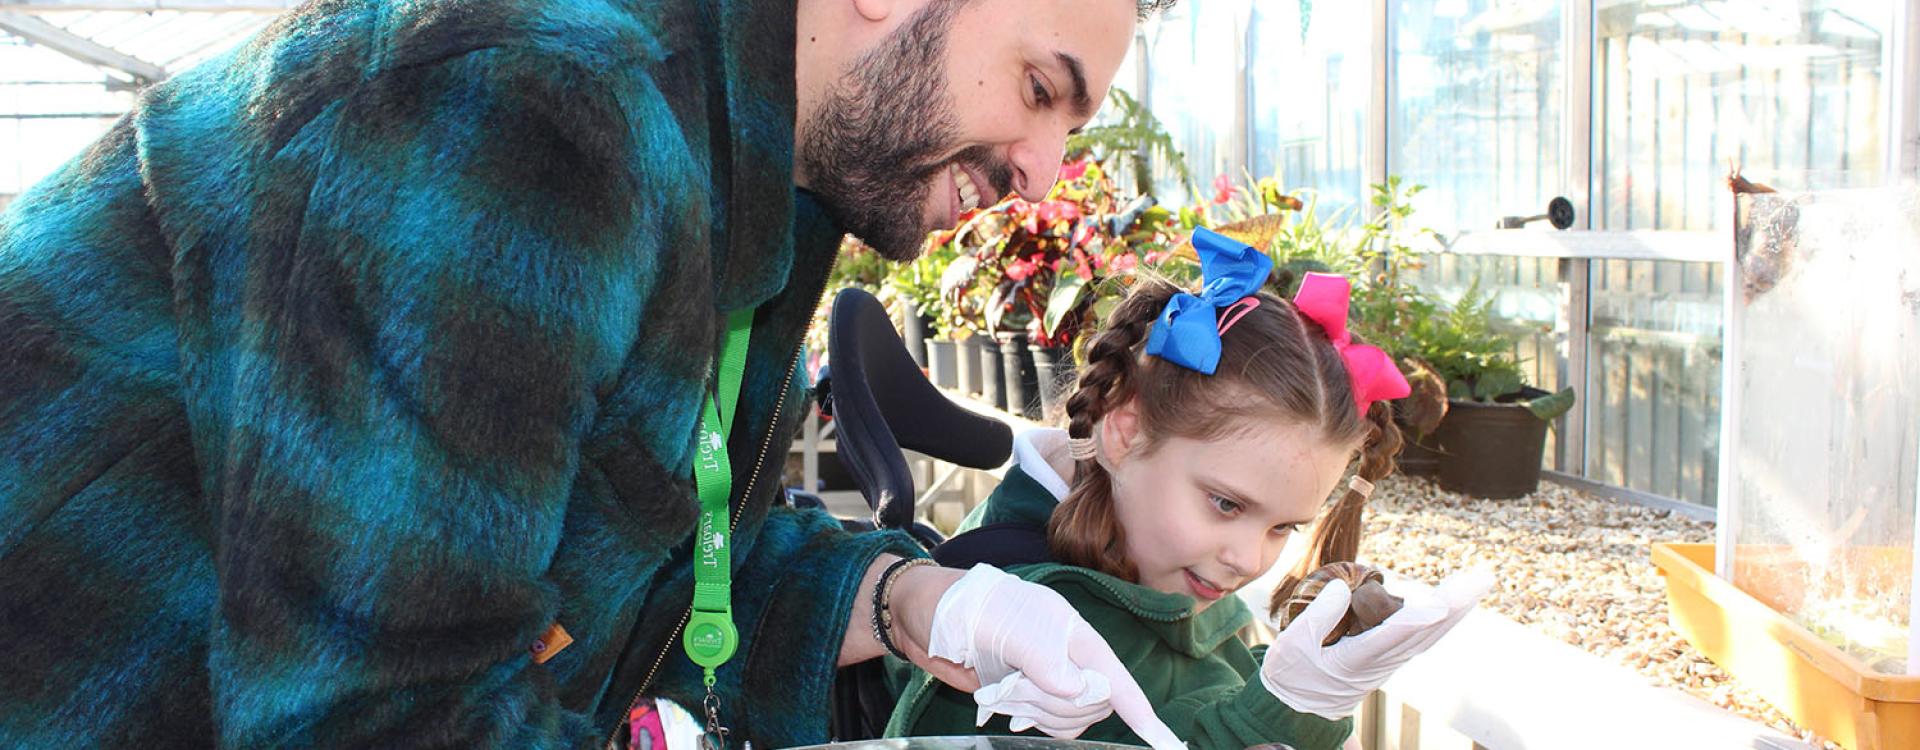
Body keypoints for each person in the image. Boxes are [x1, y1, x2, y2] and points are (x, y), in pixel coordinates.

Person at [0, 0, 1190, 747]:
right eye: (1042, 90)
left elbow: (636, 547)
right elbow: (377, 711)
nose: (1043, 170)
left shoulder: (743, 176)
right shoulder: (539, 106)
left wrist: (918, 604)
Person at [886, 229, 1496, 750]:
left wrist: (1300, 681)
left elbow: (1197, 689)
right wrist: (1290, 706)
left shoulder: (1159, 562)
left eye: (1283, 526)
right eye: (1227, 504)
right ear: (1124, 433)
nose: (1249, 558)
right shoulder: (1006, 626)